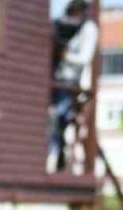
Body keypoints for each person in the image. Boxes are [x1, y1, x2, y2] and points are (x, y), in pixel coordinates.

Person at [48, 0, 98, 172]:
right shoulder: (61, 25)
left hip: (70, 85)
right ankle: (54, 158)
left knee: (59, 120)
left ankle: (57, 160)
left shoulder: (88, 29)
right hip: (55, 80)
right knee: (52, 120)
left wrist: (66, 56)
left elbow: (84, 57)